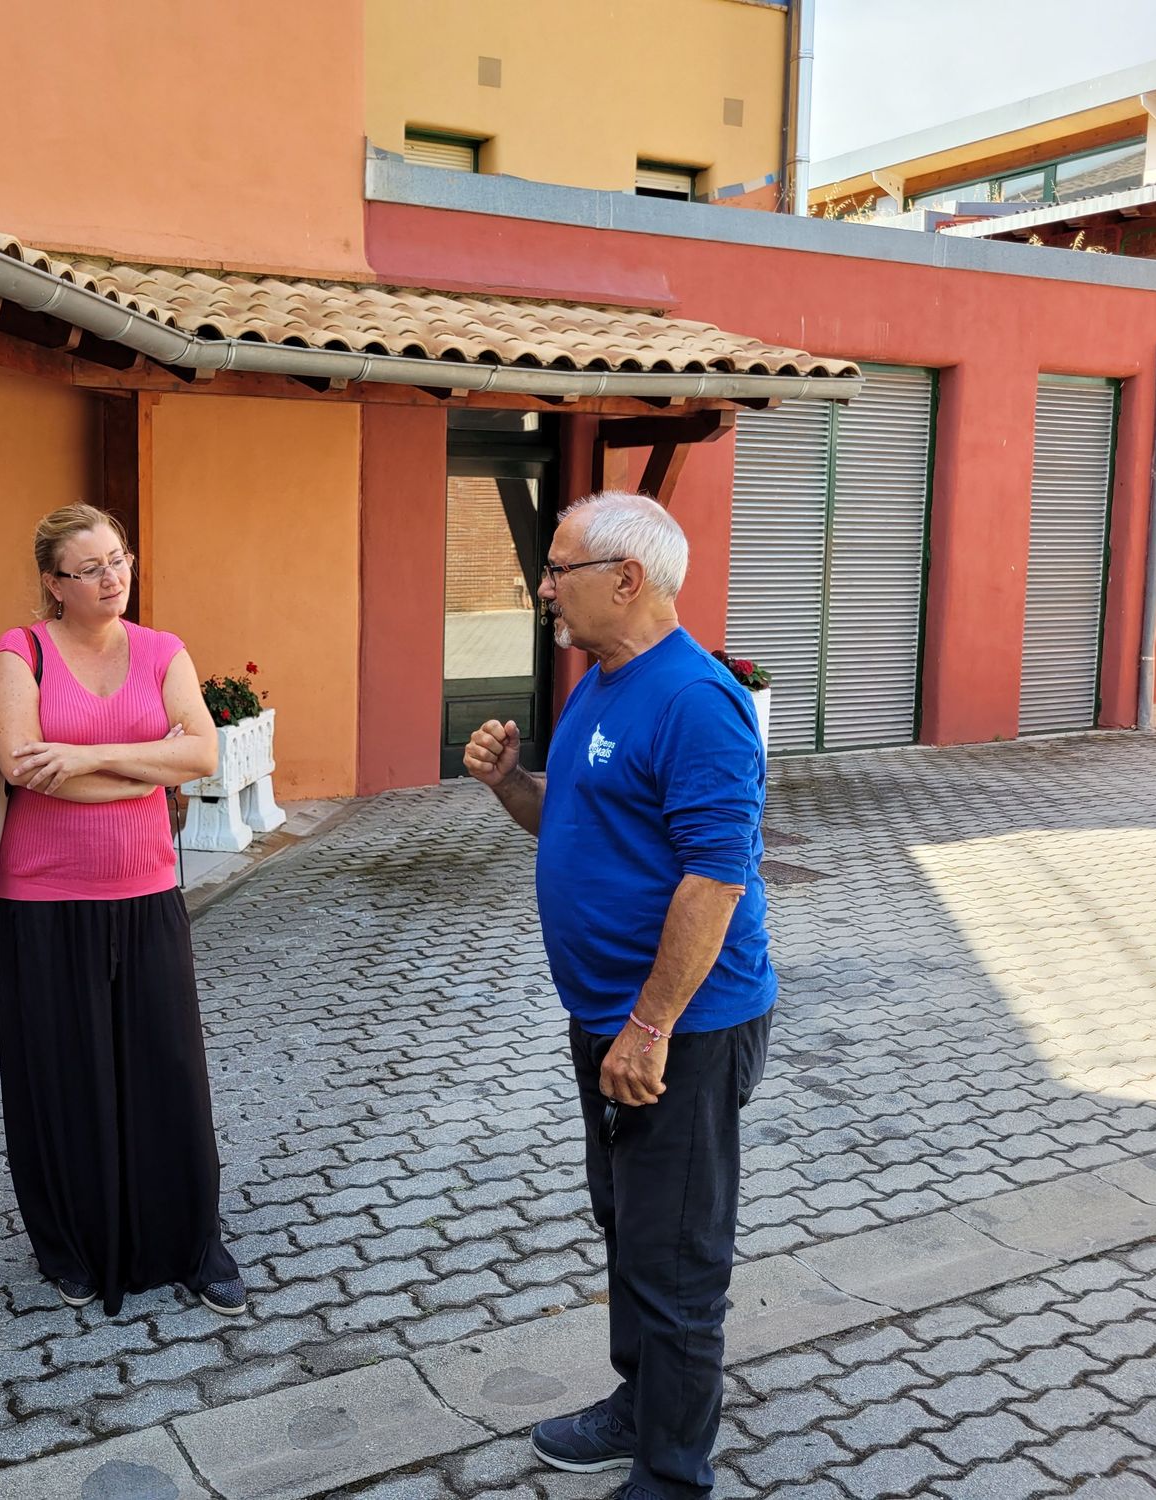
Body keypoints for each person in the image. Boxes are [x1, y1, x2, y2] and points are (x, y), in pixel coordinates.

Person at [464, 491, 776, 1500]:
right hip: (606, 1016)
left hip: (681, 1028)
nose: (544, 588)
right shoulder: (598, 684)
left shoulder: (696, 702)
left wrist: (649, 1025)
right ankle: (638, 1405)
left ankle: (673, 1474)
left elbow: (714, 879)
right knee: (629, 1225)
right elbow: (575, 818)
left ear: (627, 579)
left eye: (560, 570)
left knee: (677, 1254)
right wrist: (511, 784)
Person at [0, 503, 245, 1317]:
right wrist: (144, 770)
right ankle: (71, 1245)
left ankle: (191, 1242)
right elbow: (25, 769)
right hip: (46, 897)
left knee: (167, 1070)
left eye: (118, 559)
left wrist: (87, 757)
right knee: (64, 1076)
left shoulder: (163, 651)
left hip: (146, 889)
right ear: (53, 583)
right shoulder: (20, 652)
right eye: (90, 567)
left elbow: (202, 751)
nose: (111, 577)